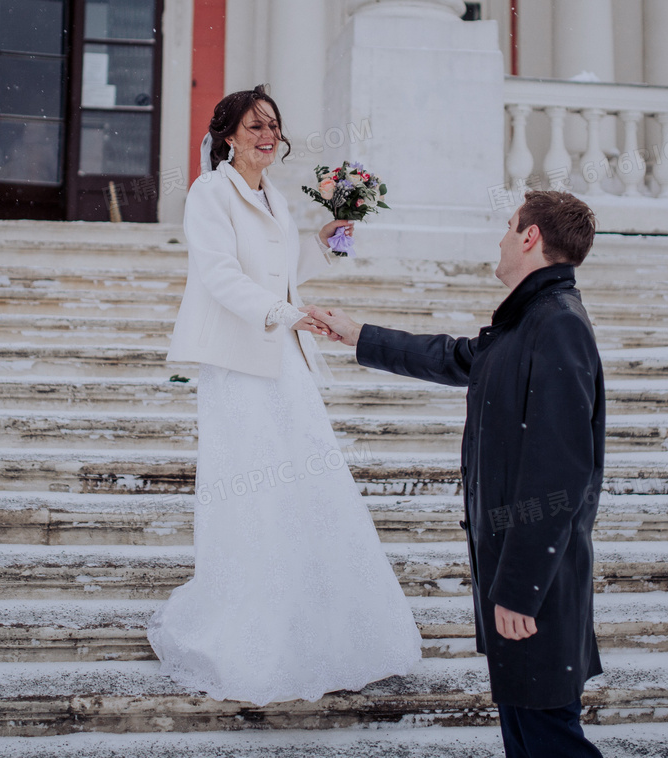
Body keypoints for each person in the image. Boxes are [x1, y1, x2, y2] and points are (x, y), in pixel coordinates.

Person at [147, 85, 422, 706]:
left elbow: (285, 268)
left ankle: (318, 623)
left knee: (304, 482)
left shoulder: (273, 193)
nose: (266, 136)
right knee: (253, 486)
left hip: (284, 360)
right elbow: (219, 275)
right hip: (238, 362)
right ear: (227, 135)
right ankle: (248, 625)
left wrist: (329, 241)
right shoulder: (209, 193)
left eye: (272, 125)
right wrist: (282, 313)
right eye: (253, 127)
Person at [309, 191, 606, 757]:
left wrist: (519, 592)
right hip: (520, 584)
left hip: (535, 589)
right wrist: (358, 334)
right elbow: (455, 357)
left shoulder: (557, 325)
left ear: (530, 238)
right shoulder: (527, 322)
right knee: (528, 739)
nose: (499, 237)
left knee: (549, 741)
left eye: (508, 226)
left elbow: (560, 477)